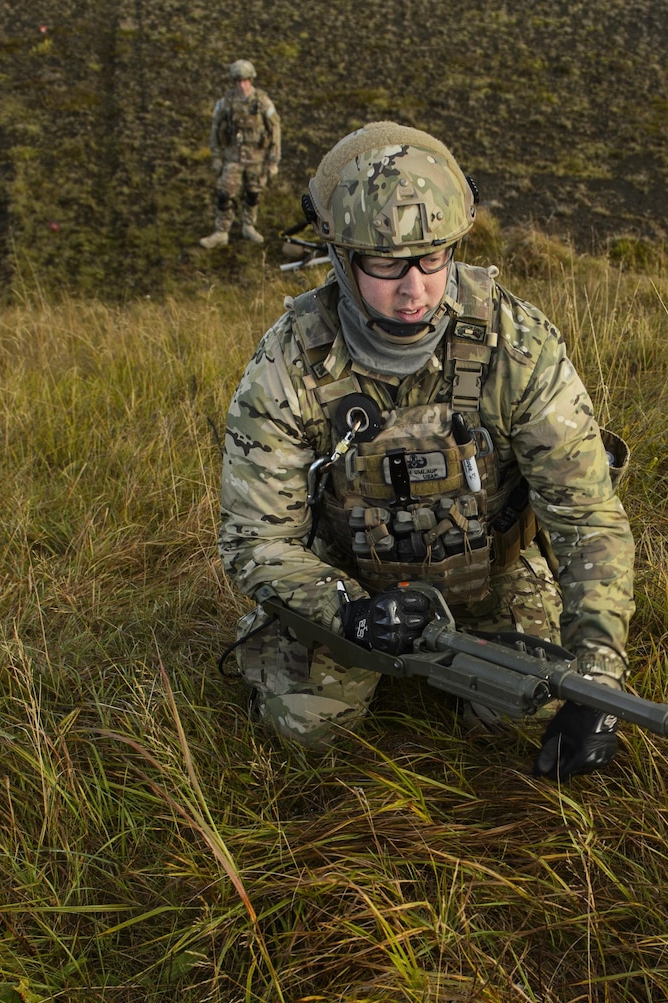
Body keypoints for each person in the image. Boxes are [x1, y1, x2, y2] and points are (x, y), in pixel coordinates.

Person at [217, 123, 635, 779]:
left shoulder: (514, 344)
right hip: (353, 580)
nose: (414, 288)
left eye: (432, 258)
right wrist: (344, 611)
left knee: (526, 708)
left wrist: (601, 677)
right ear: (340, 257)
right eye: (385, 264)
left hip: (491, 572)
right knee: (307, 726)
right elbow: (253, 538)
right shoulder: (291, 360)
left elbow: (588, 516)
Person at [200, 59, 281, 249]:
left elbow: (275, 129)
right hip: (233, 157)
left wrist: (273, 161)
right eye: (238, 81)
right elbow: (215, 130)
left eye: (245, 81)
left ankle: (248, 226)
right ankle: (221, 231)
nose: (241, 85)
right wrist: (217, 157)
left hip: (257, 157)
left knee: (253, 193)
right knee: (224, 193)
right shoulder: (226, 103)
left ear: (251, 80)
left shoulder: (262, 102)